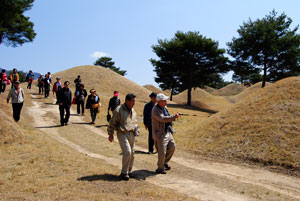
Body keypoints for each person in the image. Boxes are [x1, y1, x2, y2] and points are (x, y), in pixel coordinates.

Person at [107, 94, 138, 181]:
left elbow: (134, 121)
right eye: (132, 101)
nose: (134, 103)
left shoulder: (133, 110)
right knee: (127, 152)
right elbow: (112, 122)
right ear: (127, 101)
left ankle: (129, 171)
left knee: (132, 153)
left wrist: (136, 128)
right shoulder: (119, 110)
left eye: (134, 101)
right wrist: (110, 134)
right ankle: (124, 173)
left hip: (131, 133)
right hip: (122, 133)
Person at [152, 93, 179, 174]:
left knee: (172, 147)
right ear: (159, 101)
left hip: (167, 131)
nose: (166, 101)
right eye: (164, 100)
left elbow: (167, 117)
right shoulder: (155, 110)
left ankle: (164, 163)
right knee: (162, 151)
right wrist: (173, 117)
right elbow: (162, 118)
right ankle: (160, 168)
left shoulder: (165, 107)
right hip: (160, 134)